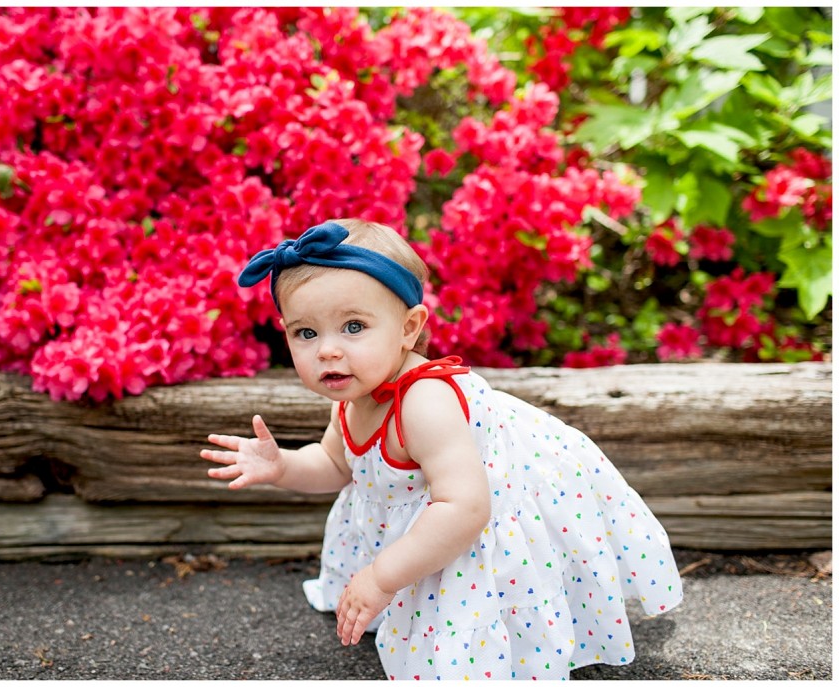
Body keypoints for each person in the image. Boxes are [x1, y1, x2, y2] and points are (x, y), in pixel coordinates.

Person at [201, 218, 683, 680]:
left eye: (353, 326)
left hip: (464, 513)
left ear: (410, 327)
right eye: (306, 333)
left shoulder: (423, 402)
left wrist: (382, 577)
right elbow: (334, 463)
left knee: (468, 640)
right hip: (435, 518)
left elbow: (465, 508)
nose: (327, 349)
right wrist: (282, 465)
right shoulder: (351, 395)